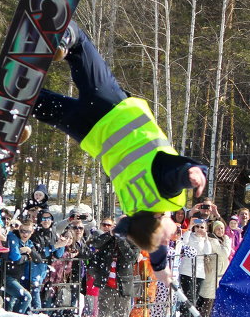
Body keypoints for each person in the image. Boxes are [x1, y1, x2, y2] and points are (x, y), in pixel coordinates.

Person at [32, 23, 206, 253]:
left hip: (114, 111)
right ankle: (18, 98)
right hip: (92, 133)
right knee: (46, 107)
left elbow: (172, 175)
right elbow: (126, 228)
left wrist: (193, 173)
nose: (171, 233)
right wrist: (159, 264)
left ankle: (67, 34)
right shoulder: (134, 211)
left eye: (165, 236)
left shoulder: (167, 198)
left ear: (156, 224)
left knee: (80, 47)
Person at [86, 220, 140, 317]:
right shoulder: (109, 238)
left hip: (123, 287)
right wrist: (110, 234)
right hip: (106, 286)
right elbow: (95, 244)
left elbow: (131, 258)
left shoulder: (134, 241)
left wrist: (121, 240)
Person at [177, 218, 211, 317]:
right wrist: (189, 227)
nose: (199, 229)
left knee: (195, 298)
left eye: (202, 227)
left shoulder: (205, 240)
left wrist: (206, 238)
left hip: (200, 273)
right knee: (188, 297)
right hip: (187, 271)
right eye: (197, 227)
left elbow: (208, 252)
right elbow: (183, 242)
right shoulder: (189, 236)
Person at [4, 220, 44, 314]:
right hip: (7, 276)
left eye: (28, 231)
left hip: (17, 278)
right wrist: (27, 257)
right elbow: (16, 259)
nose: (25, 234)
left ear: (32, 232)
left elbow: (38, 260)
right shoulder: (13, 238)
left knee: (10, 305)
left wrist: (28, 251)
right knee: (26, 297)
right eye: (22, 231)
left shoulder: (28, 243)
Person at [197, 219, 231, 317]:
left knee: (212, 298)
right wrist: (228, 240)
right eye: (217, 229)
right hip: (212, 274)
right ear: (213, 230)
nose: (220, 230)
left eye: (222, 228)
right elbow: (224, 253)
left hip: (219, 274)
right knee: (208, 297)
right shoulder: (213, 240)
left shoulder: (221, 240)